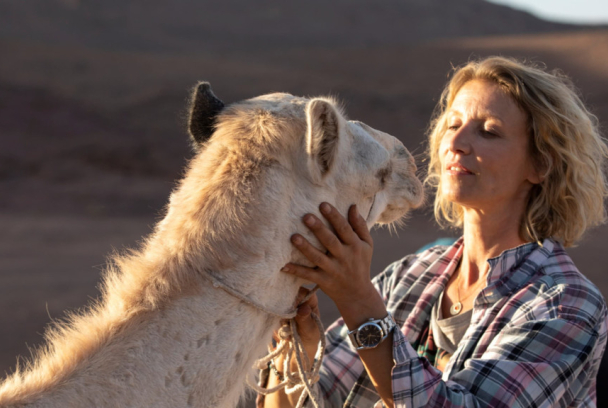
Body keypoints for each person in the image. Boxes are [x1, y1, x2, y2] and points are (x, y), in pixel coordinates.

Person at [261, 56, 608, 407]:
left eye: (488, 131)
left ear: (540, 164)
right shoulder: (413, 274)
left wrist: (357, 299)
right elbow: (309, 400)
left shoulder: (564, 303)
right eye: (452, 124)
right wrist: (300, 350)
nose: (456, 142)